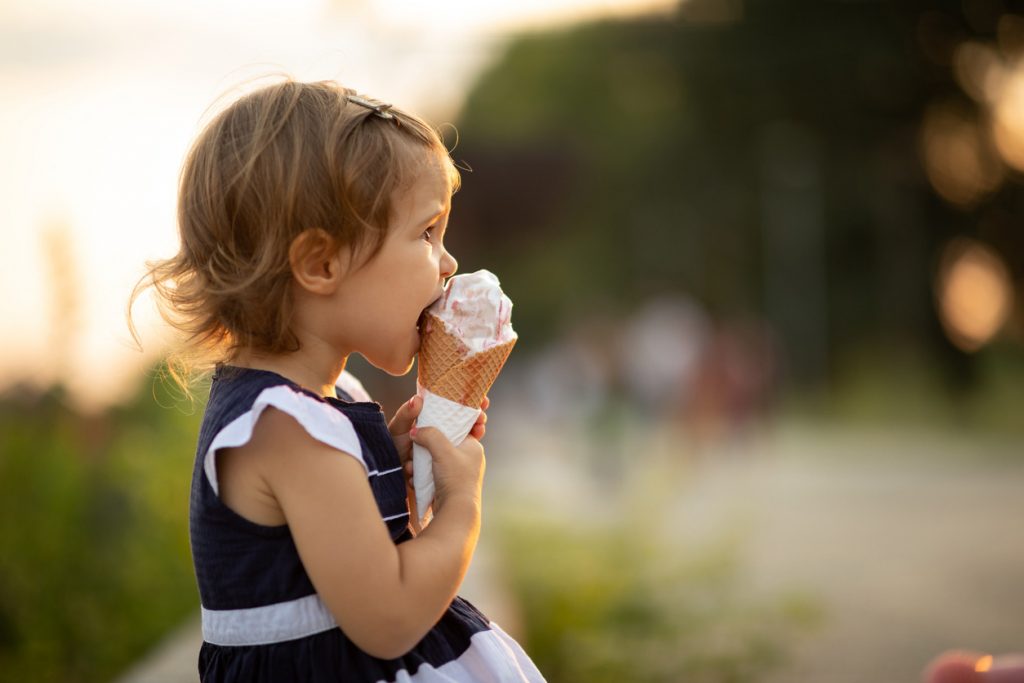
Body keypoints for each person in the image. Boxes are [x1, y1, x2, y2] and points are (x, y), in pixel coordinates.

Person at [131, 79, 545, 682]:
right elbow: (390, 618)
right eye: (427, 233)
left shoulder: (331, 403)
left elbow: (350, 555)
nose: (448, 263)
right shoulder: (285, 428)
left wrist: (394, 472)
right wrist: (463, 506)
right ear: (321, 264)